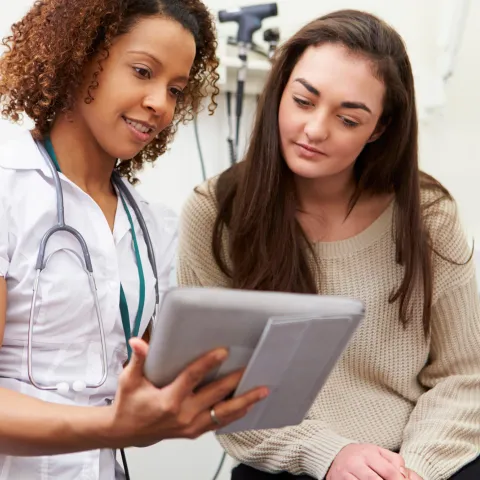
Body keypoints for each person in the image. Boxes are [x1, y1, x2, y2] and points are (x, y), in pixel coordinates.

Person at [177, 9, 480, 480]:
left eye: (348, 118)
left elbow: (465, 376)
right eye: (303, 101)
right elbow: (222, 392)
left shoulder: (428, 215)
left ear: (379, 128)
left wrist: (412, 470)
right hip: (294, 459)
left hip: (418, 460)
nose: (316, 130)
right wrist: (329, 454)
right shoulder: (216, 213)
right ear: (280, 92)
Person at [0, 0, 268, 478]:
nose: (161, 104)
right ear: (80, 55)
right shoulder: (7, 188)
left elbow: (142, 378)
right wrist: (111, 426)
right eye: (142, 72)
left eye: (176, 89)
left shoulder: (153, 228)